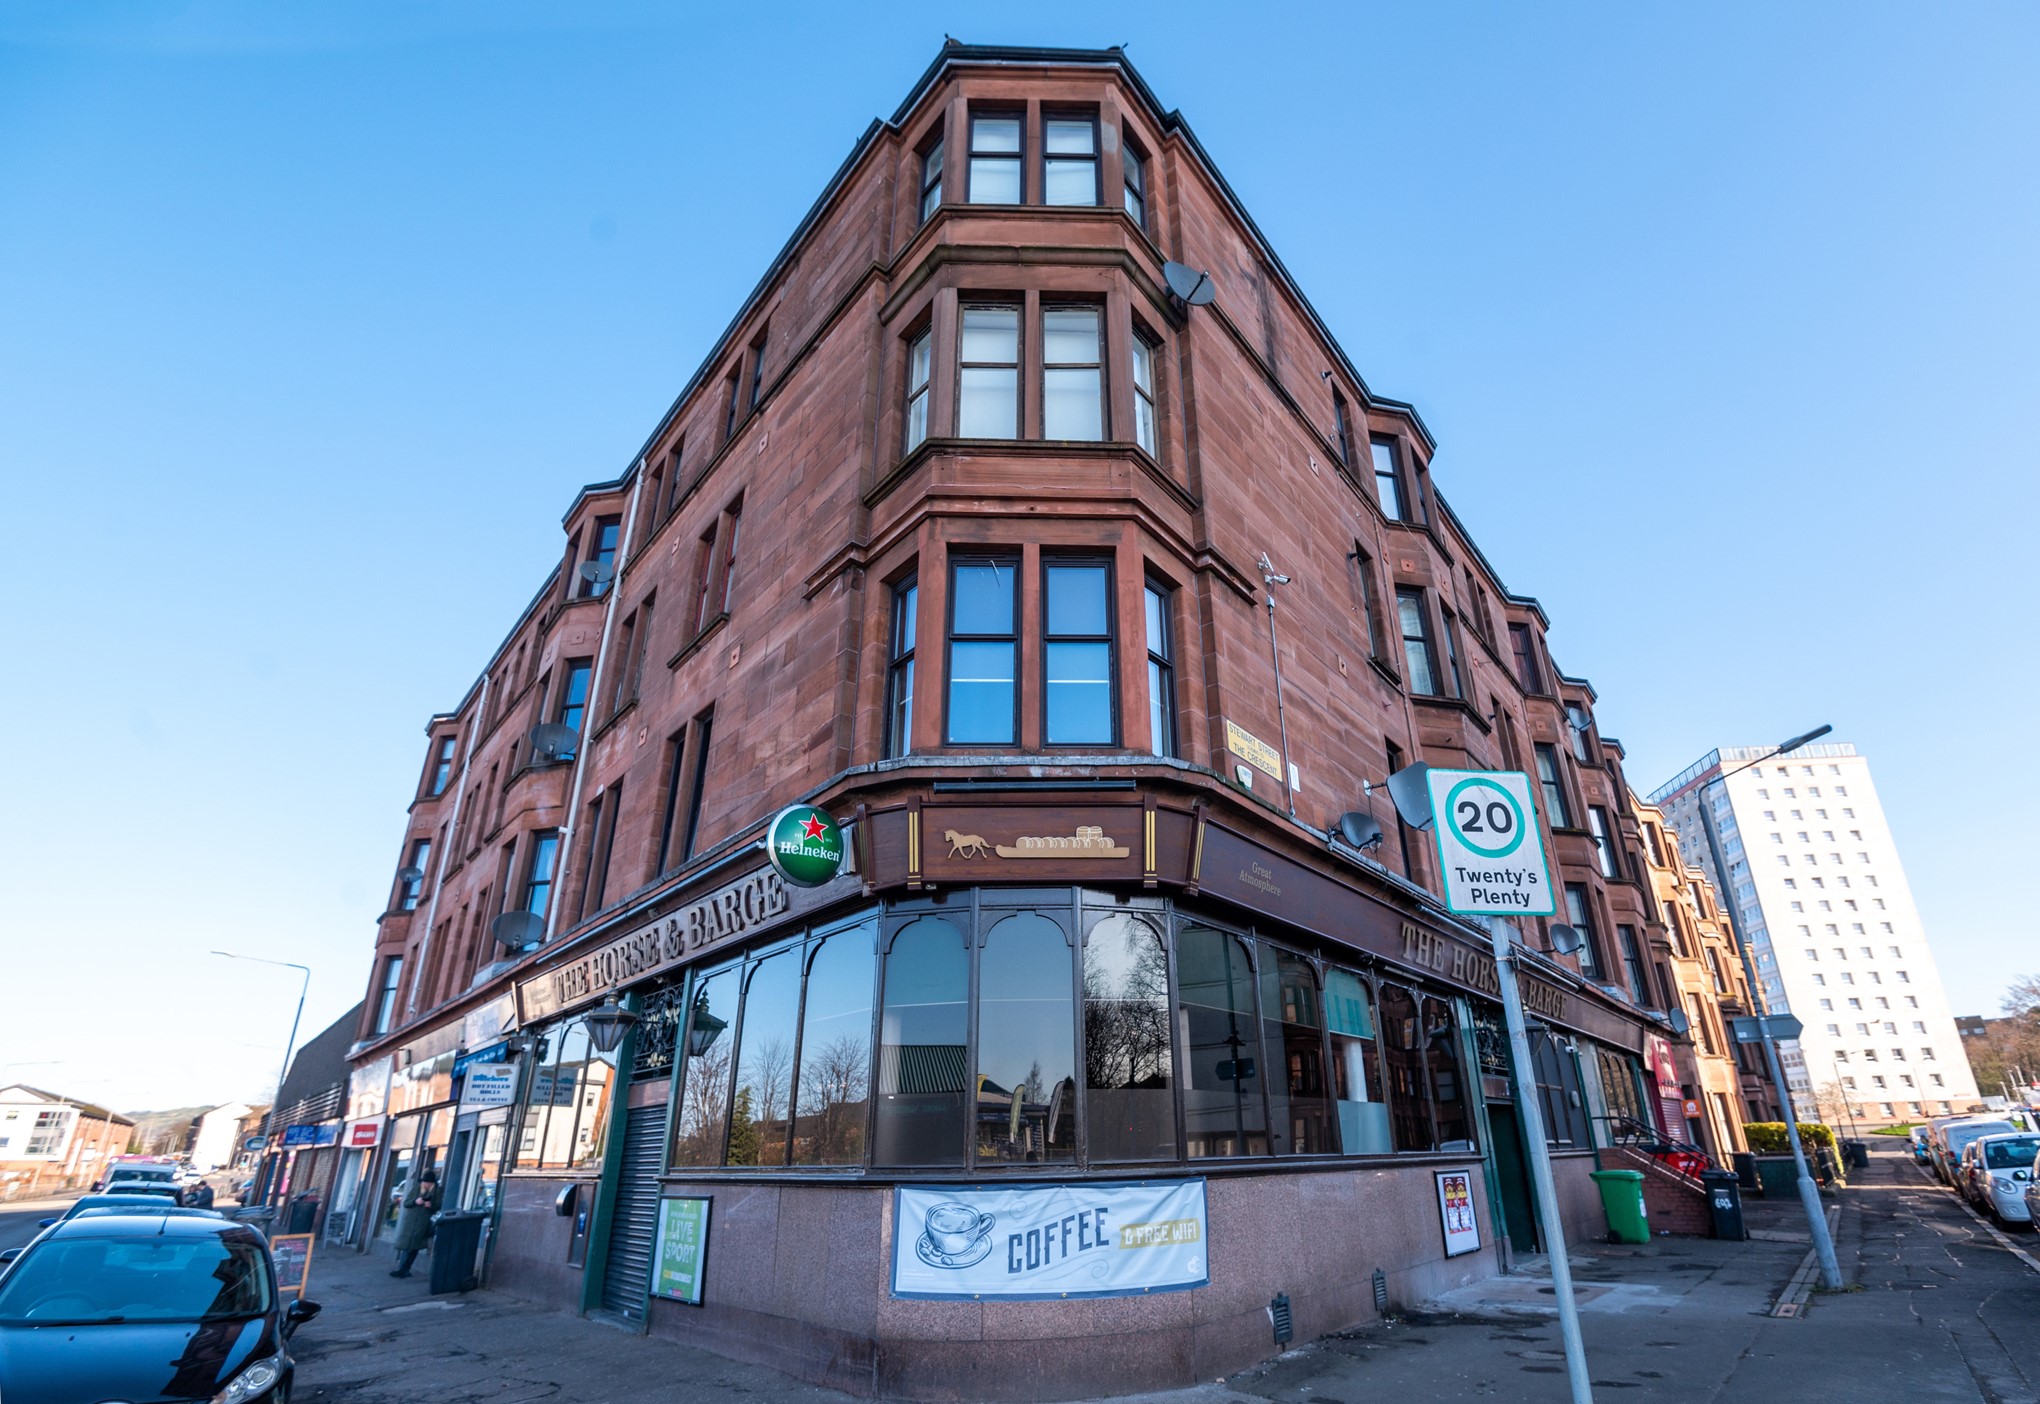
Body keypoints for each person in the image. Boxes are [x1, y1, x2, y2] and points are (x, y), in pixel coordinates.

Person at [389, 1170, 441, 1278]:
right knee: (406, 1245)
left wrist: (430, 1205)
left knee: (414, 1247)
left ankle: (404, 1269)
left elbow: (438, 1206)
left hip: (423, 1222)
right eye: (425, 1183)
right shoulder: (417, 1188)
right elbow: (406, 1202)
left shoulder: (437, 1191)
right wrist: (415, 1202)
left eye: (429, 1183)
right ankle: (403, 1269)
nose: (427, 1185)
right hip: (411, 1221)